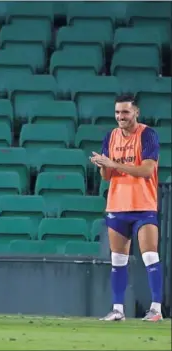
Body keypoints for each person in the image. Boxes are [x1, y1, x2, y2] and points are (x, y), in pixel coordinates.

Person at [90, 94, 162, 322]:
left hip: (143, 205)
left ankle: (156, 309)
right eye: (118, 113)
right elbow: (106, 176)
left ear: (136, 112)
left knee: (150, 256)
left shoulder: (147, 135)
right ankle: (118, 309)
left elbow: (147, 170)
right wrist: (103, 165)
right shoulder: (110, 137)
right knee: (118, 260)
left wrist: (113, 164)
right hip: (117, 205)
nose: (121, 117)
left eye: (125, 112)